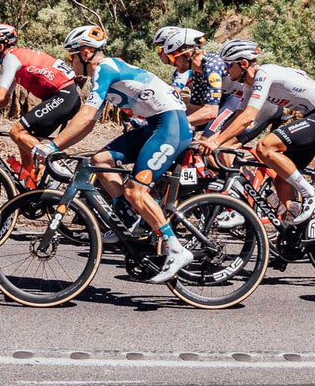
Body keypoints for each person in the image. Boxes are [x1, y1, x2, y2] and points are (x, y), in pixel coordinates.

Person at [31, 25, 198, 281]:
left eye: (70, 56)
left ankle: (175, 248)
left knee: (135, 191)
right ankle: (126, 219)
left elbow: (86, 116)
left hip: (171, 126)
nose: (69, 62)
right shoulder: (106, 70)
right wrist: (60, 145)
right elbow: (89, 122)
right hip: (154, 125)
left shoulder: (104, 68)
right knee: (100, 160)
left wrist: (53, 146)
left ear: (86, 54)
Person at [194, 39, 315, 224]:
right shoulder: (248, 85)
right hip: (310, 115)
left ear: (243, 64)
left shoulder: (263, 74)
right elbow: (238, 117)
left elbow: (249, 116)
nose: (226, 70)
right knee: (281, 179)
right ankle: (290, 228)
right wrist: (216, 139)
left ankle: (311, 194)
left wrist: (215, 142)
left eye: (228, 64)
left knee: (265, 147)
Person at [0, 24, 79, 176]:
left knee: (17, 132)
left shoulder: (11, 58)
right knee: (24, 136)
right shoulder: (16, 58)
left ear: (0, 46)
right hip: (66, 95)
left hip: (64, 95)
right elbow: (4, 99)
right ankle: (30, 178)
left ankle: (55, 165)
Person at [153, 26, 228, 131]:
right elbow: (194, 106)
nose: (173, 63)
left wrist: (174, 123)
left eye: (172, 58)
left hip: (241, 103)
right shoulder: (198, 72)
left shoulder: (211, 66)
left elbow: (211, 112)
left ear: (187, 54)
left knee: (209, 142)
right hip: (232, 102)